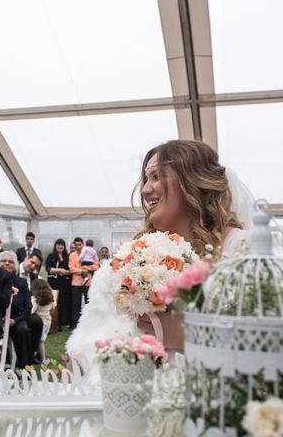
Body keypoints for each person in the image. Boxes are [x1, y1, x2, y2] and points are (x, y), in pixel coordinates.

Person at [67, 139, 250, 378]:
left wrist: (187, 335)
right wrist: (82, 361)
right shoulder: (131, 258)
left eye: (156, 177)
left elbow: (267, 344)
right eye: (146, 179)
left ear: (191, 181)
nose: (145, 190)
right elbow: (94, 331)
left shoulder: (240, 248)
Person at [0, 251, 42, 368]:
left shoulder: (21, 282)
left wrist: (15, 321)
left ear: (15, 266)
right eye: (3, 261)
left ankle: (24, 366)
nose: (7, 263)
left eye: (10, 262)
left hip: (15, 319)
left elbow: (28, 306)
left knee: (23, 329)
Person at [68, 237, 98, 330]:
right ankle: (74, 326)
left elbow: (96, 266)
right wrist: (82, 271)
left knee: (89, 304)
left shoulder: (90, 252)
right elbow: (71, 268)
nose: (78, 246)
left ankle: (90, 325)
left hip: (88, 282)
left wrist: (87, 268)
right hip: (76, 282)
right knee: (76, 305)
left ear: (83, 244)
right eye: (76, 245)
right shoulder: (72, 255)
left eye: (79, 244)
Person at [45, 238, 72, 330]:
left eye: (62, 245)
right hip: (54, 284)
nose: (60, 246)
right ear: (55, 246)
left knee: (64, 303)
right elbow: (48, 269)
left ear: (64, 247)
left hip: (66, 284)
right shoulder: (51, 256)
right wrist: (59, 270)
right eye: (58, 244)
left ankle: (63, 323)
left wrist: (65, 272)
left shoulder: (68, 257)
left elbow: (71, 270)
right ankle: (54, 323)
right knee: (55, 303)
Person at [31, 278, 55, 363]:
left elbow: (32, 311)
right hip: (48, 321)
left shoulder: (35, 299)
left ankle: (43, 359)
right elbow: (53, 307)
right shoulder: (51, 298)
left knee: (40, 342)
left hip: (40, 322)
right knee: (42, 340)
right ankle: (40, 356)